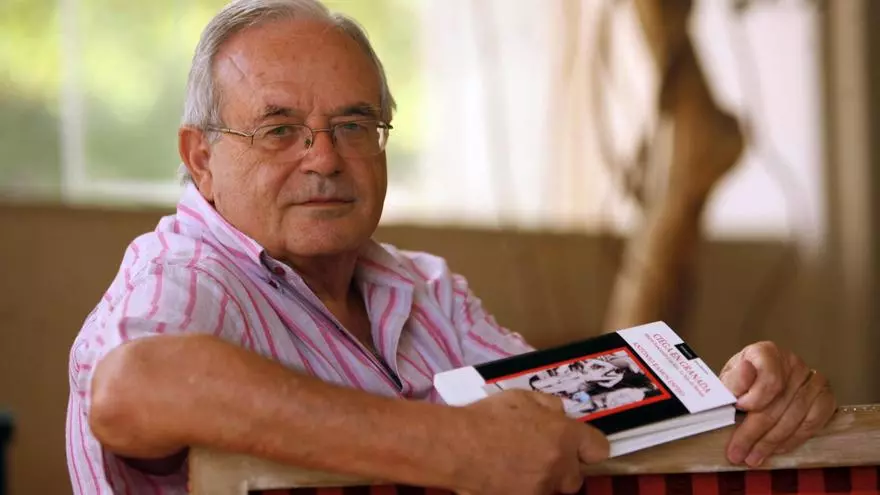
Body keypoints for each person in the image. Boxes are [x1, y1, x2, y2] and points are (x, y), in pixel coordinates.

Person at [65, 1, 837, 494]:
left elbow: (550, 434)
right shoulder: (187, 272)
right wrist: (444, 444)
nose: (325, 157)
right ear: (201, 158)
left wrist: (736, 402)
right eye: (279, 129)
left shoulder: (423, 286)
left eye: (354, 125)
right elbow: (133, 386)